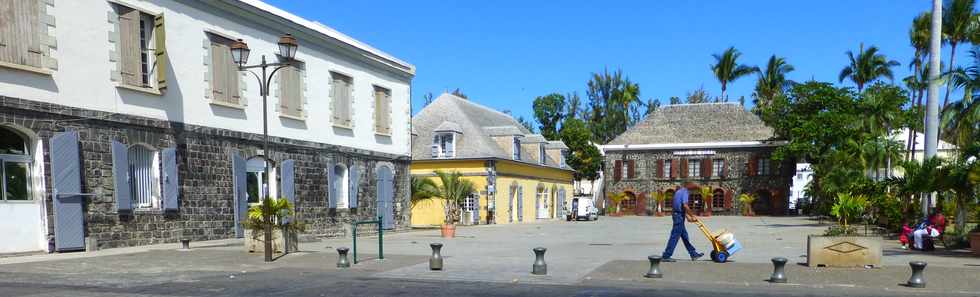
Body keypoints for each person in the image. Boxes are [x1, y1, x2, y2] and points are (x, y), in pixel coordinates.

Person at [661, 181, 705, 262]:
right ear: (689, 185)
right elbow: (685, 205)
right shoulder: (685, 192)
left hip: (678, 215)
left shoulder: (679, 192)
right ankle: (666, 255)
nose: (694, 189)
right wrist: (692, 215)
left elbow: (678, 206)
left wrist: (687, 217)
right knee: (674, 236)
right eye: (693, 187)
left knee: (685, 236)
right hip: (679, 217)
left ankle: (693, 254)